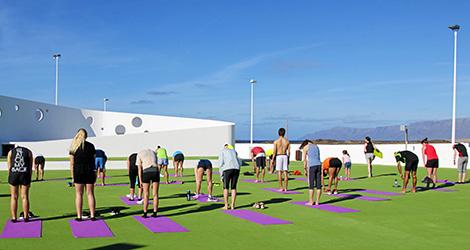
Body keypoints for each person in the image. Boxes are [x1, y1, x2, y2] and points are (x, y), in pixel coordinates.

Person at [69, 128, 97, 221]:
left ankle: (79, 216)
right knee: (90, 194)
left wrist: (72, 177)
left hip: (78, 172)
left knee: (79, 194)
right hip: (90, 172)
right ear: (86, 136)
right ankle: (92, 215)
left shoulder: (74, 146)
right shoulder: (91, 146)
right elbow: (94, 161)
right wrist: (95, 172)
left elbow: (72, 163)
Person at [7, 145, 33, 222]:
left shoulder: (11, 152)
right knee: (24, 196)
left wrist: (10, 177)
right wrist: (29, 179)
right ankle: (26, 217)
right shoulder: (29, 152)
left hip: (14, 174)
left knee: (14, 196)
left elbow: (9, 167)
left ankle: (14, 218)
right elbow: (30, 167)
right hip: (25, 174)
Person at [137, 148, 160, 218]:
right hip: (155, 171)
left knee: (146, 194)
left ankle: (145, 213)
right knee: (155, 194)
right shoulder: (153, 153)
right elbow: (157, 165)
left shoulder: (140, 153)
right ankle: (155, 212)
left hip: (146, 172)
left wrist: (140, 181)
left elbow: (139, 168)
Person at [219, 144, 240, 210]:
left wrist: (221, 175)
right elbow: (239, 162)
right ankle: (232, 205)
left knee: (226, 187)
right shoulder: (234, 151)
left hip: (227, 169)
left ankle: (226, 205)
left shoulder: (222, 151)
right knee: (233, 187)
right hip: (236, 168)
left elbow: (220, 163)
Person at [301, 140, 322, 206]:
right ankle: (317, 201)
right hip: (319, 165)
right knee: (318, 184)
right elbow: (318, 157)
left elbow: (304, 159)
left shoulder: (305, 147)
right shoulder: (316, 146)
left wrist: (305, 169)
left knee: (311, 184)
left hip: (312, 166)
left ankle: (311, 201)